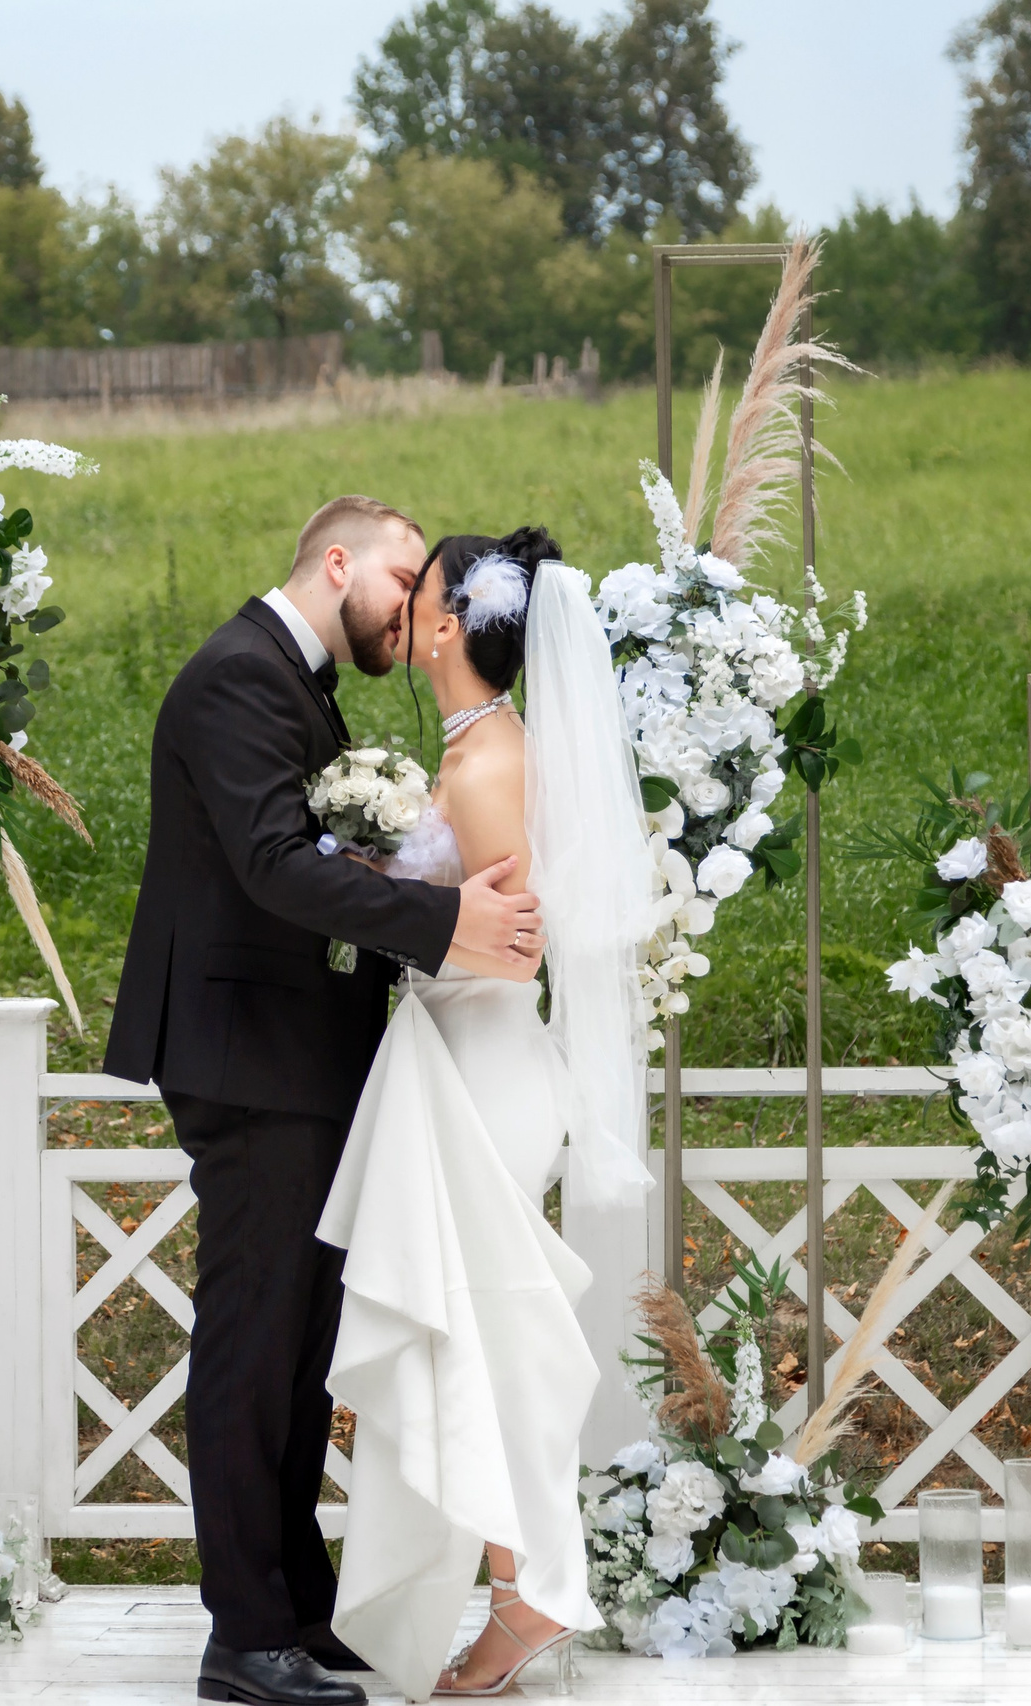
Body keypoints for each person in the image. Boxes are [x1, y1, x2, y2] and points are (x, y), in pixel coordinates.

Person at [105, 495, 549, 1706]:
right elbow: (268, 863)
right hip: (245, 1056)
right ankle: (242, 1633)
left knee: (296, 1343)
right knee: (253, 1339)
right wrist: (447, 920)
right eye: (403, 575)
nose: (412, 604)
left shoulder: (299, 686)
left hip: (292, 1052)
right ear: (337, 559)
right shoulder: (237, 676)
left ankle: (292, 1605)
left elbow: (304, 860)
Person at [318, 527, 658, 1700]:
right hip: (461, 1067)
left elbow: (511, 950)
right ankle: (521, 1589)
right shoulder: (479, 747)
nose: (401, 603)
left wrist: (381, 896)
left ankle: (523, 1598)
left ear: (453, 621)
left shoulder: (481, 768)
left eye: (417, 589)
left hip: (483, 1067)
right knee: (478, 1340)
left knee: (486, 1344)